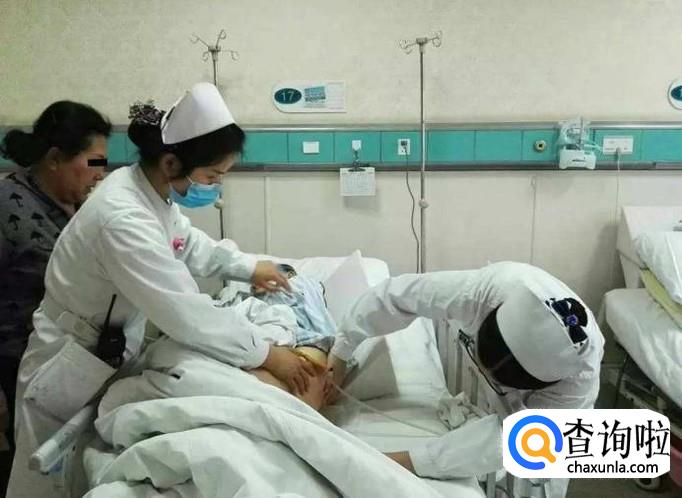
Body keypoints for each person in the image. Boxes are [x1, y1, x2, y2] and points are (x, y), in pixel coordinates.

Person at [6, 83, 316, 497]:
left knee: (95, 464)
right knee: (48, 479)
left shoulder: (148, 194)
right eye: (212, 176)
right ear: (171, 162)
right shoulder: (121, 218)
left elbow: (185, 243)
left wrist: (247, 267)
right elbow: (186, 313)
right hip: (66, 363)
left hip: (107, 352)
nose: (215, 186)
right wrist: (269, 354)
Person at [326, 261, 605, 498]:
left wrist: (409, 461)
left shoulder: (577, 379)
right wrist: (341, 351)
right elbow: (397, 296)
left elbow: (522, 437)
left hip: (549, 411)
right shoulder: (483, 292)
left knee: (542, 474)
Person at [0, 101, 110, 492]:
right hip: (20, 359)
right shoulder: (8, 207)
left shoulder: (80, 204)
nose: (101, 173)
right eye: (94, 162)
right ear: (54, 158)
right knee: (32, 466)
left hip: (74, 356)